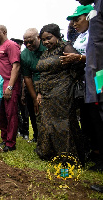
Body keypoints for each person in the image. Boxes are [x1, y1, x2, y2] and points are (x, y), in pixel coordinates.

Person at [34, 23, 84, 162]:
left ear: (57, 36)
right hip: (47, 93)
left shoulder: (64, 47)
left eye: (49, 38)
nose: (46, 42)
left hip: (62, 93)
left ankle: (68, 157)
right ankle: (50, 153)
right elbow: (42, 74)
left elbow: (79, 63)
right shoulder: (46, 53)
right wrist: (39, 93)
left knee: (63, 124)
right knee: (47, 124)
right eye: (44, 40)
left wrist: (69, 80)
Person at [62, 5, 103, 167]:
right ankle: (94, 151)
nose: (74, 24)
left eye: (77, 19)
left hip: (100, 77)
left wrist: (78, 58)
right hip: (85, 83)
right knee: (88, 117)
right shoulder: (80, 37)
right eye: (73, 21)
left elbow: (97, 56)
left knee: (99, 113)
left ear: (88, 17)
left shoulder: (97, 33)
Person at [76, 0, 103, 172]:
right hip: (93, 78)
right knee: (95, 116)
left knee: (100, 109)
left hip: (100, 76)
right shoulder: (97, 7)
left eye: (77, 19)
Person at [0, 25, 21, 152]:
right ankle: (4, 139)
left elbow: (16, 67)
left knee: (11, 115)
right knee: (2, 115)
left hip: (8, 86)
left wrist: (10, 86)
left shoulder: (11, 45)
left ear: (4, 32)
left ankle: (11, 143)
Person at [21, 28, 47, 143]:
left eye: (31, 41)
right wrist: (34, 97)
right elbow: (27, 77)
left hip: (49, 82)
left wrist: (41, 92)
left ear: (38, 38)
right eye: (25, 42)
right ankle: (37, 136)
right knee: (33, 110)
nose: (28, 44)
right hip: (33, 84)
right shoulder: (24, 54)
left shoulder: (47, 47)